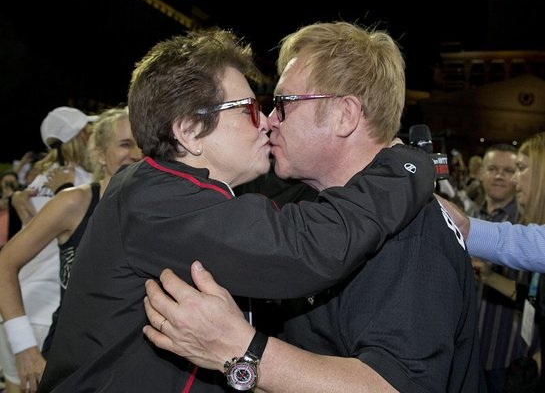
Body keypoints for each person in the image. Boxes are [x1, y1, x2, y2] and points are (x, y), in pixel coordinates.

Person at [37, 27, 435, 393]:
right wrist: (409, 167)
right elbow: (305, 247)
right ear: (190, 131)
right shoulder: (157, 201)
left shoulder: (172, 193)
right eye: (248, 108)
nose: (265, 121)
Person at [141, 22, 484, 392]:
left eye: (284, 105)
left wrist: (243, 351)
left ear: (344, 115)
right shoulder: (328, 209)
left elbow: (393, 386)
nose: (270, 121)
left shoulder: (411, 233)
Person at [0, 106, 96, 393]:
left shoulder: (37, 181)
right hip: (48, 310)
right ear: (82, 137)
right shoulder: (84, 185)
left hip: (13, 308)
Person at [469, 143, 532, 393]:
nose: (499, 176)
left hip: (506, 357)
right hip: (465, 353)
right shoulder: (470, 217)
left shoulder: (527, 226)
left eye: (508, 170)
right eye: (492, 168)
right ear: (481, 173)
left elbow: (533, 295)